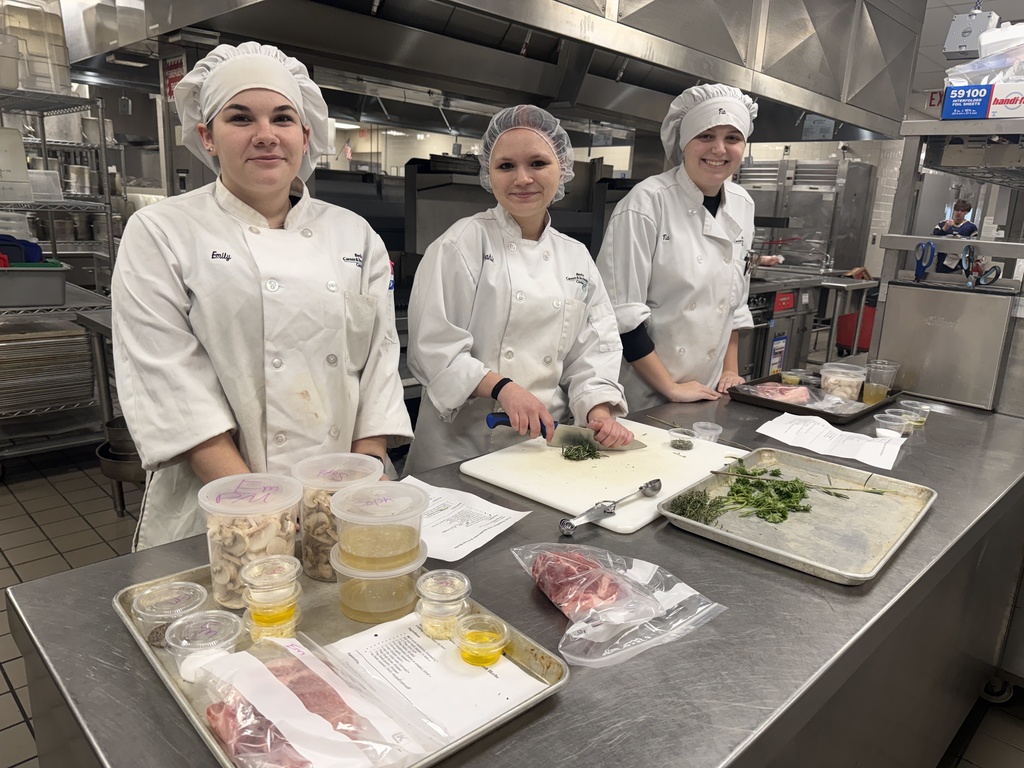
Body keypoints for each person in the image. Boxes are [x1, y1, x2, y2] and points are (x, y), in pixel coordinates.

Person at [111, 42, 412, 549]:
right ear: (207, 135)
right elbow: (170, 384)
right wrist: (257, 502)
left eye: (282, 118)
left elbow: (380, 362)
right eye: (241, 118)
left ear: (306, 134)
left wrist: (360, 477)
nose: (266, 136)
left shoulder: (355, 235)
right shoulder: (161, 231)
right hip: (222, 500)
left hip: (341, 497)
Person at [403, 105, 632, 474]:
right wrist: (504, 389)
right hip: (462, 448)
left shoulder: (576, 257)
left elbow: (594, 350)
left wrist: (597, 410)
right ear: (489, 174)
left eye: (538, 163)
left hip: (545, 444)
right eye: (506, 166)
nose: (522, 178)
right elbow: (433, 348)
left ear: (562, 170)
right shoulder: (461, 243)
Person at [597, 83, 758, 411]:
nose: (719, 149)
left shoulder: (743, 204)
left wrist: (729, 370)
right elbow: (622, 315)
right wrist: (670, 387)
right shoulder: (646, 203)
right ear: (684, 142)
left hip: (706, 392)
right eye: (706, 136)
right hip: (643, 394)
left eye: (732, 138)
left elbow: (732, 304)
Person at [933, 199, 978, 272]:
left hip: (960, 261)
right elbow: (934, 236)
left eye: (962, 211)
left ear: (966, 212)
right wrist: (944, 229)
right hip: (943, 259)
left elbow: (974, 245)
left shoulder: (971, 227)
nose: (959, 213)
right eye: (957, 210)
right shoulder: (943, 223)